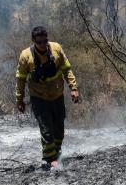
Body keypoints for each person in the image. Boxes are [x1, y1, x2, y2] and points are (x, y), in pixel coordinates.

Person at [15, 26, 80, 168]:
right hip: (38, 98)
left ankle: (56, 151)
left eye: (45, 41)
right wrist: (19, 99)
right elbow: (20, 79)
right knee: (46, 129)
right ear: (34, 41)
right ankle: (50, 159)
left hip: (57, 95)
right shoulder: (26, 56)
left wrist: (73, 88)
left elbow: (66, 69)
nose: (43, 45)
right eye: (39, 42)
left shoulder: (56, 48)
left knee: (59, 128)